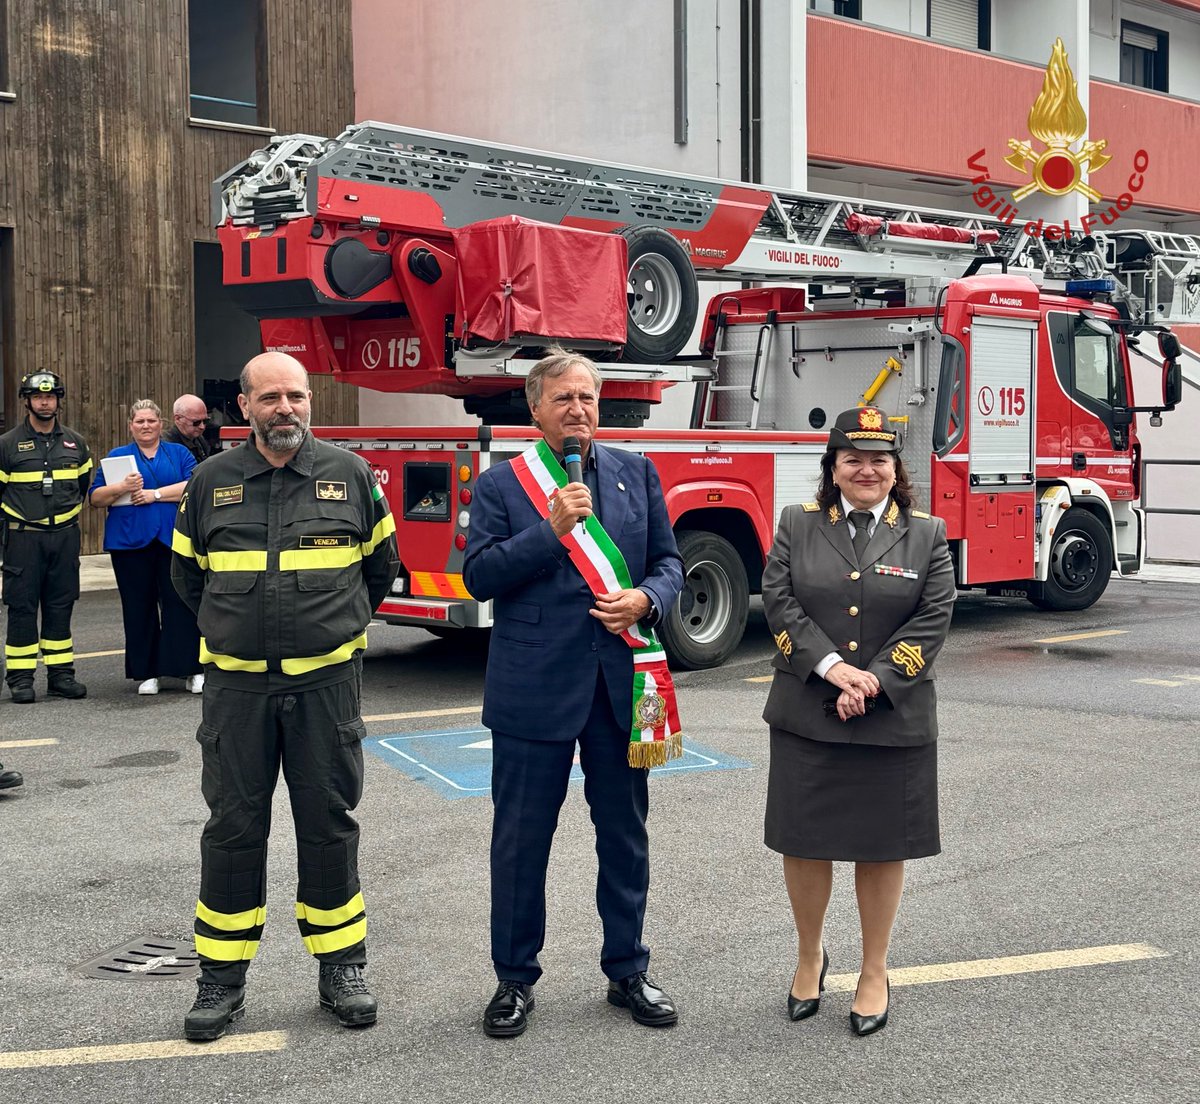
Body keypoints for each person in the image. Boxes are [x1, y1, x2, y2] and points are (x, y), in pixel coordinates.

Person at [171, 352, 398, 1042]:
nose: (286, 409)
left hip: (325, 686)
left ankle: (341, 968)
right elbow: (188, 579)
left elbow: (379, 569)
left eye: (296, 396)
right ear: (244, 407)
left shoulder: (350, 475)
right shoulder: (210, 482)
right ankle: (222, 979)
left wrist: (331, 630)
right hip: (237, 690)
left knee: (328, 824)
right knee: (234, 829)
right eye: (270, 398)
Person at [463, 350, 685, 1039]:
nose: (578, 409)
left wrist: (645, 598)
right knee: (522, 843)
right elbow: (479, 577)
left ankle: (627, 969)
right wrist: (550, 530)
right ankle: (513, 980)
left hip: (622, 686)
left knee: (624, 837)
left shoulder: (635, 472)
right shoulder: (502, 484)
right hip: (534, 690)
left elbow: (670, 563)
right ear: (535, 410)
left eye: (587, 397)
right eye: (563, 399)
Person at [761, 405, 955, 1037]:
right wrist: (830, 670)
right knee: (805, 841)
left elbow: (932, 618)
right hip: (807, 710)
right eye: (853, 458)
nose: (866, 469)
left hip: (890, 715)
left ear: (894, 468)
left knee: (881, 845)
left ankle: (875, 970)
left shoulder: (927, 534)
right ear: (833, 467)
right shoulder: (797, 524)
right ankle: (809, 954)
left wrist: (872, 681)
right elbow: (780, 603)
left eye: (878, 459)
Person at [89, 400, 202, 695]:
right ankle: (148, 671)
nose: (146, 426)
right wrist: (121, 488)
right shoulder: (117, 458)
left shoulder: (179, 453)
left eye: (151, 420)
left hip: (171, 539)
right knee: (138, 607)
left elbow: (193, 486)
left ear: (160, 423)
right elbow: (96, 498)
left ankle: (189, 668)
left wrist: (154, 494)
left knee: (180, 603)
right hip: (129, 543)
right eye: (139, 421)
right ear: (131, 426)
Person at [0, 371, 92, 704]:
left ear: (58, 401)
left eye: (50, 397)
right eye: (38, 397)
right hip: (23, 538)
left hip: (65, 536)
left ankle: (61, 676)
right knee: (22, 608)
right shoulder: (7, 444)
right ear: (27, 400)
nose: (44, 402)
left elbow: (83, 489)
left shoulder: (75, 443)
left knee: (60, 605)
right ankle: (21, 680)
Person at [163, 393, 212, 465]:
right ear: (178, 419)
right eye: (196, 422)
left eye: (205, 421)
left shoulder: (199, 439)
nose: (202, 426)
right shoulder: (166, 445)